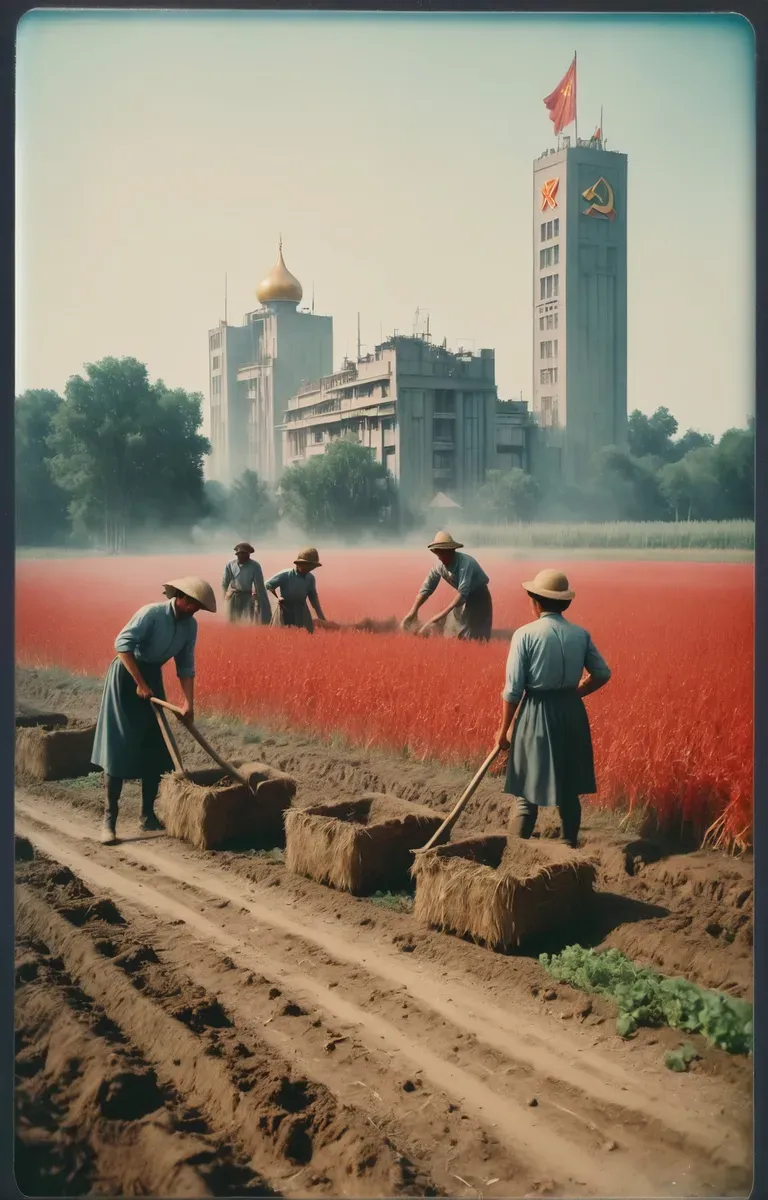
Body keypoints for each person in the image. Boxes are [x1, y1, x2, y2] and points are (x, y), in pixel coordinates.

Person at [90, 576, 217, 845]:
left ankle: (147, 815)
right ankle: (109, 821)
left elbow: (185, 665)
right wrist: (140, 683)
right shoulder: (151, 613)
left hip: (152, 678)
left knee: (156, 746)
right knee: (119, 746)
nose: (194, 611)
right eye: (192, 605)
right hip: (127, 676)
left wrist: (188, 703)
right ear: (180, 597)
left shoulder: (189, 627)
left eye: (198, 609)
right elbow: (121, 644)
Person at [495, 569, 611, 849]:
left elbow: (513, 690)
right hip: (572, 713)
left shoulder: (524, 635)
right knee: (568, 788)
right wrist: (576, 692)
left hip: (537, 712)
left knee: (526, 791)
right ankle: (568, 846)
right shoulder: (580, 635)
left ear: (535, 601)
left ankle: (514, 852)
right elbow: (602, 673)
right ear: (564, 603)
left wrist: (503, 731)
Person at [401, 531, 492, 641]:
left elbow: (462, 592)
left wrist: (436, 619)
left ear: (451, 551)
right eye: (438, 552)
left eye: (443, 552)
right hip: (462, 600)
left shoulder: (465, 564)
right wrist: (413, 612)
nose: (440, 556)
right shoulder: (439, 566)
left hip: (479, 597)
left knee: (475, 637)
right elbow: (426, 589)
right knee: (454, 633)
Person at [265, 548, 326, 633]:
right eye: (307, 565)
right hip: (285, 609)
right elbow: (268, 585)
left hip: (302, 610)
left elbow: (314, 600)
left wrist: (322, 619)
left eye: (311, 566)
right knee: (282, 635)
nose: (309, 569)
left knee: (305, 635)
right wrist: (277, 598)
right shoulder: (285, 575)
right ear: (299, 564)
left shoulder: (310, 578)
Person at [222, 542, 271, 625]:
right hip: (234, 596)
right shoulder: (230, 565)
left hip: (248, 597)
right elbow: (225, 582)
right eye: (239, 553)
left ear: (249, 554)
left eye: (244, 553)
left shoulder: (255, 566)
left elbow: (259, 586)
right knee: (232, 621)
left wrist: (258, 599)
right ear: (236, 554)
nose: (241, 555)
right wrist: (225, 595)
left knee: (248, 621)